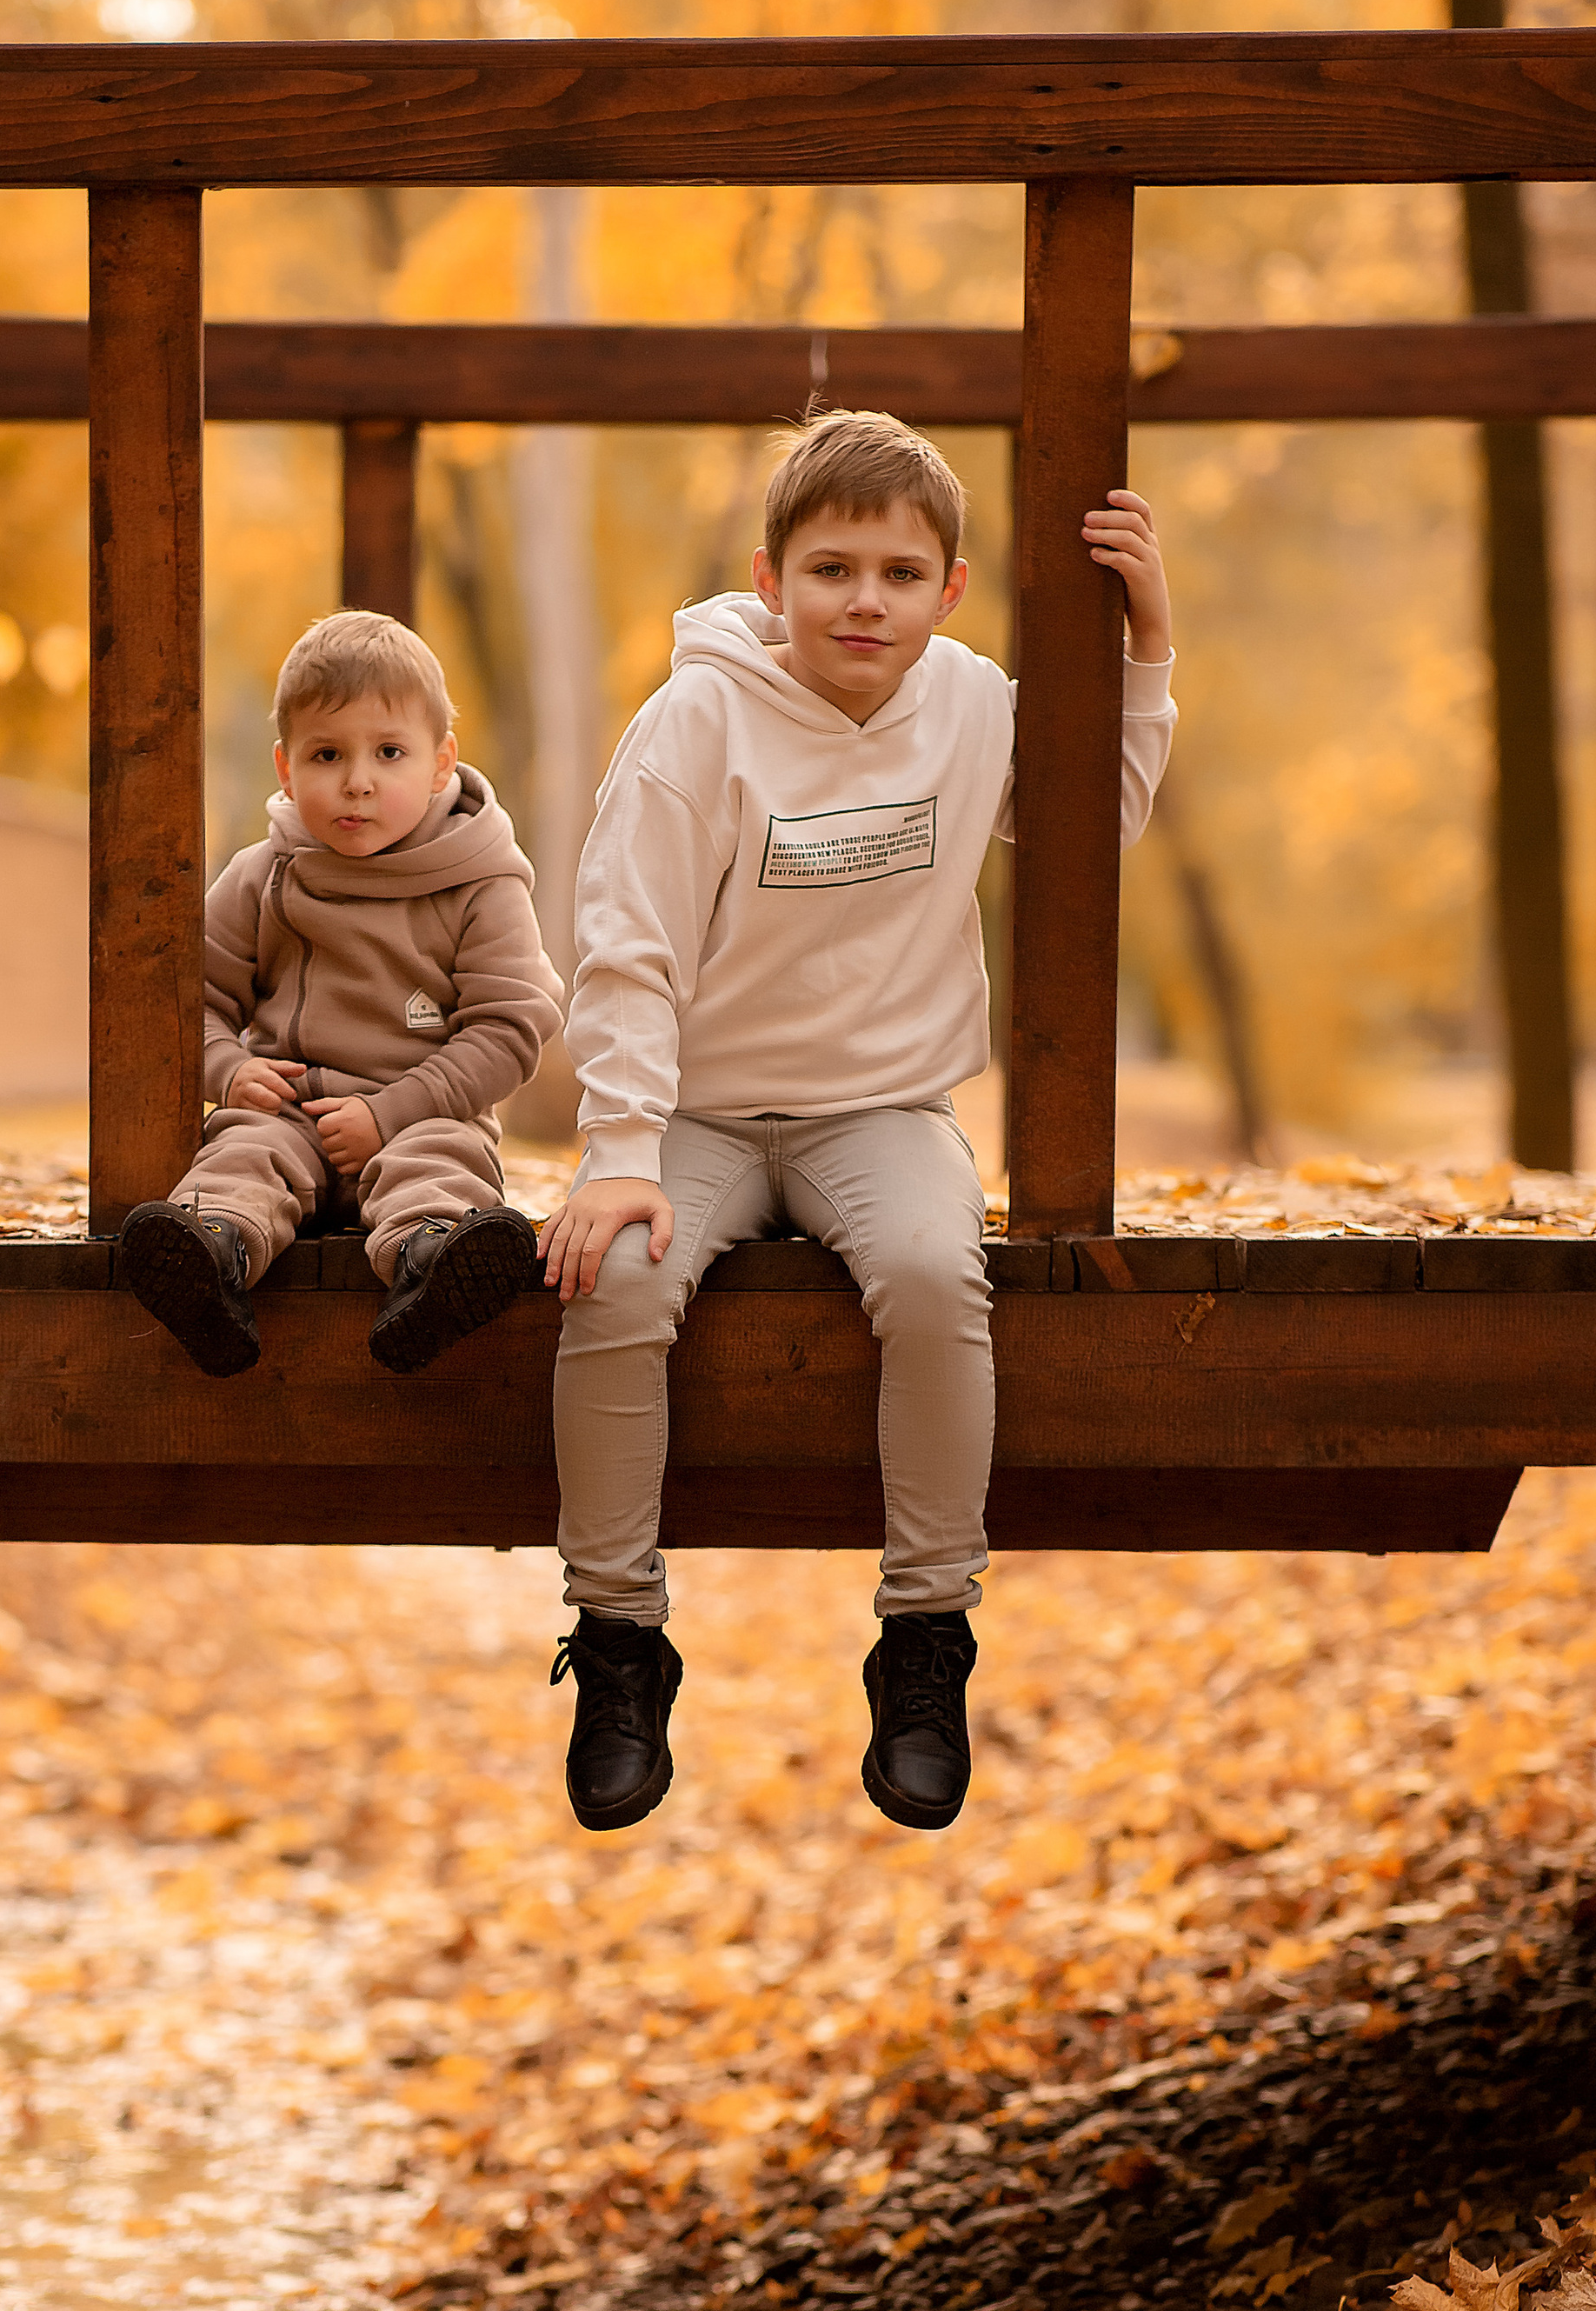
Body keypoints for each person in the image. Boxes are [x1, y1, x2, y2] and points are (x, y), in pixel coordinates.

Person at [540, 408, 1174, 1834]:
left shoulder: (970, 703)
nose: (864, 600)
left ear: (950, 590)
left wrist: (1146, 645)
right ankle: (622, 1644)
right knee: (616, 1285)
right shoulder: (693, 722)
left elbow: (1099, 826)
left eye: (897, 572)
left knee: (941, 1278)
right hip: (696, 1114)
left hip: (877, 1110)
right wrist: (622, 1156)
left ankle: (925, 1640)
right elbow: (625, 943)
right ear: (771, 580)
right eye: (832, 569)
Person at [118, 609, 562, 1378]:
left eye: (389, 752)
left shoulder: (481, 881)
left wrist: (387, 1113)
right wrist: (229, 1070)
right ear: (287, 768)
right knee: (243, 1154)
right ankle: (210, 1258)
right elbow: (192, 1004)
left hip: (419, 1113)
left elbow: (509, 1027)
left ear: (439, 762)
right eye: (328, 754)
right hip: (289, 1110)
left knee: (440, 1164)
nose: (358, 780)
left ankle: (434, 1266)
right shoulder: (265, 874)